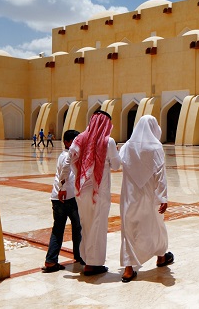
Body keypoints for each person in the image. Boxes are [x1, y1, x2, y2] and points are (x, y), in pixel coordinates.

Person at [59, 111, 120, 276]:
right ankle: (93, 264)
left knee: (86, 225)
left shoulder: (79, 139)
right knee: (97, 226)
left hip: (81, 190)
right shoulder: (108, 142)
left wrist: (62, 186)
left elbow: (67, 162)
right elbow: (116, 165)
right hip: (99, 191)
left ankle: (87, 259)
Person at [119, 115, 174, 283]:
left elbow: (119, 161)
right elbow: (160, 173)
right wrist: (163, 197)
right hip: (150, 195)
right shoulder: (156, 147)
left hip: (129, 196)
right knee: (156, 225)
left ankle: (129, 269)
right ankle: (161, 257)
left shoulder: (128, 145)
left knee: (129, 229)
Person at [42, 130, 82, 273]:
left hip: (58, 197)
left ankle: (51, 260)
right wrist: (63, 188)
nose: (78, 143)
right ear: (67, 142)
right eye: (75, 141)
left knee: (58, 229)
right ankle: (80, 255)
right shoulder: (67, 156)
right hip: (67, 197)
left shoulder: (65, 155)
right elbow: (65, 172)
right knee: (77, 227)